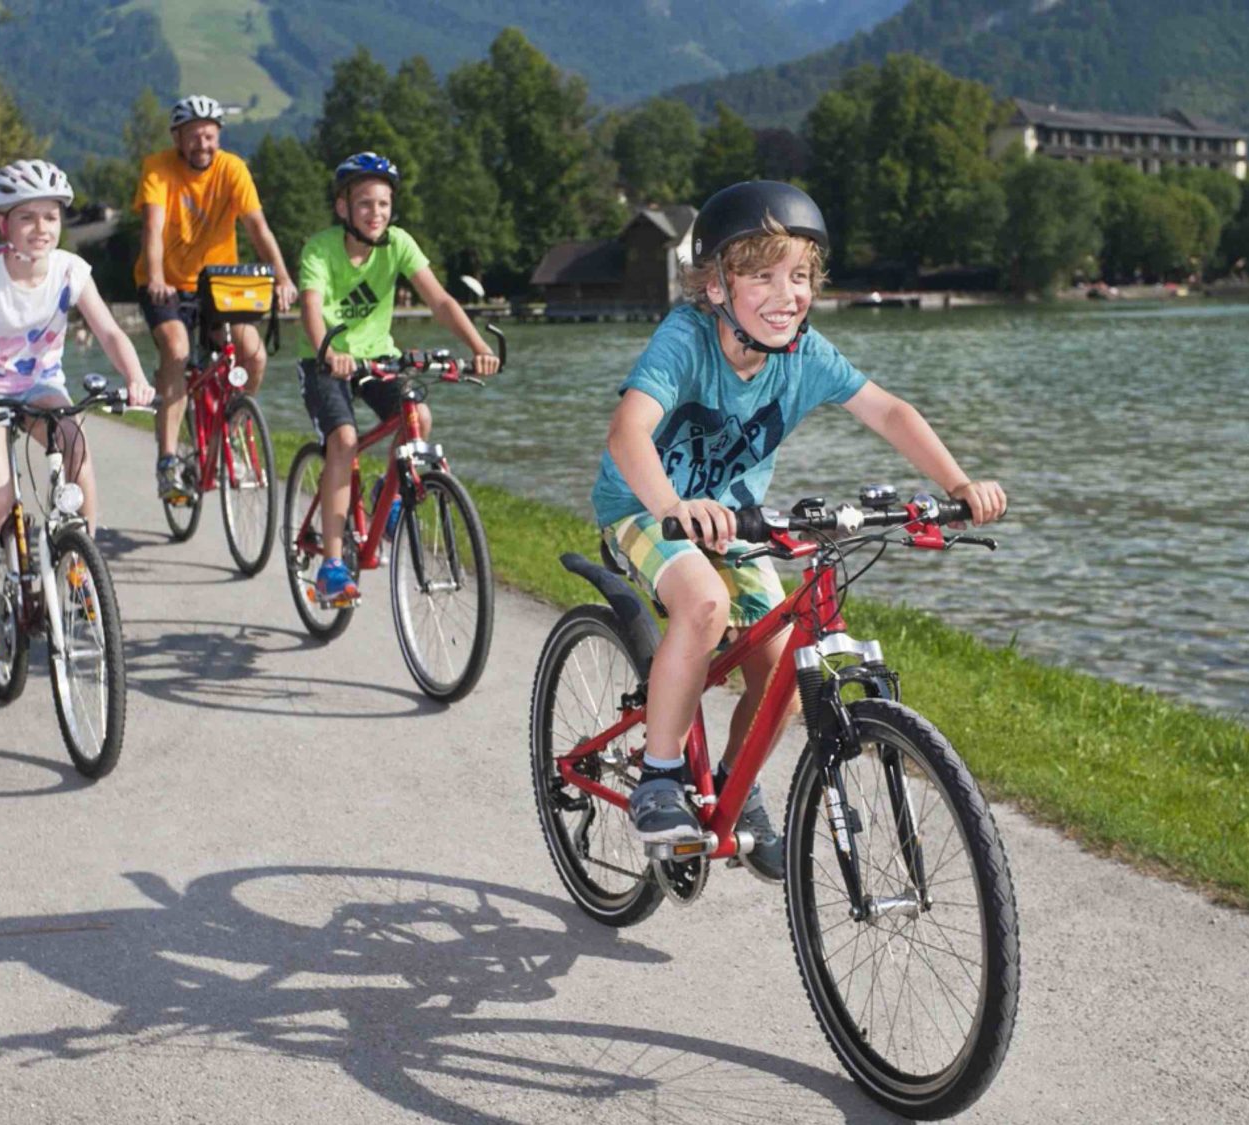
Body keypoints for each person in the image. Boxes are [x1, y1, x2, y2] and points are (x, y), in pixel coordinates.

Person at [592, 181, 1007, 881]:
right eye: (762, 275)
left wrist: (957, 485)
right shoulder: (687, 340)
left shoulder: (804, 355)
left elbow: (890, 412)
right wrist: (674, 505)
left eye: (801, 275)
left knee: (784, 666)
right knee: (703, 603)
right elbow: (629, 430)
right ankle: (660, 777)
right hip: (643, 501)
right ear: (717, 286)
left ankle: (734, 785)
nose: (787, 294)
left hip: (735, 520)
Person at [0, 160, 155, 655]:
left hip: (40, 383)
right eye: (27, 217)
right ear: (2, 223)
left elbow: (110, 332)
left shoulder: (71, 271)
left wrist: (136, 378)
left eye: (51, 217)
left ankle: (80, 566)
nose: (41, 228)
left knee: (76, 451)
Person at [296, 152, 500, 607]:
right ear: (343, 208)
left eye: (384, 204)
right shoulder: (320, 249)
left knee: (419, 419)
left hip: (379, 358)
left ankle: (385, 502)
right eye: (366, 204)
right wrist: (329, 351)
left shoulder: (399, 244)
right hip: (324, 360)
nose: (376, 213)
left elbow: (441, 301)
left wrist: (478, 348)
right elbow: (310, 308)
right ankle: (331, 566)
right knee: (344, 440)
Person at [135, 93, 298, 501]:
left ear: (218, 136)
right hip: (167, 284)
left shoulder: (233, 169)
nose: (202, 145)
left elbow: (258, 227)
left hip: (219, 283)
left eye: (209, 137)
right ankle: (168, 460)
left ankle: (236, 424)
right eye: (193, 137)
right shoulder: (158, 168)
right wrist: (156, 277)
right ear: (177, 138)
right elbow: (153, 228)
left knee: (253, 355)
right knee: (175, 351)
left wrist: (282, 277)